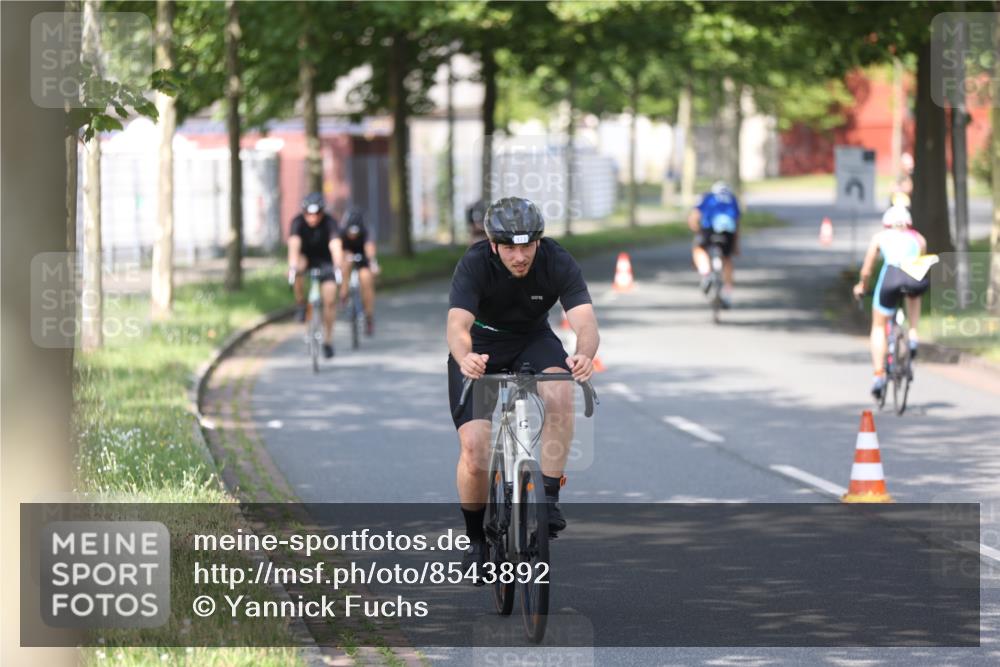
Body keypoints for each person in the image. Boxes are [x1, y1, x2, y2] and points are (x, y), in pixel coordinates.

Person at [446, 196, 600, 577]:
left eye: (527, 246)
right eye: (510, 248)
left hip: (533, 337)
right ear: (494, 245)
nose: (520, 256)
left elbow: (585, 322)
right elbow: (457, 325)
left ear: (539, 243)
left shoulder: (555, 260)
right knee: (475, 447)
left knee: (561, 391)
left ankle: (547, 496)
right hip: (481, 345)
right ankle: (476, 540)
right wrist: (465, 357)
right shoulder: (475, 263)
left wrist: (584, 354)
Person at [853, 205, 930, 399]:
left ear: (886, 223)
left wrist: (862, 285)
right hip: (913, 277)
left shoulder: (880, 237)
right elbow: (920, 263)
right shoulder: (919, 239)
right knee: (914, 296)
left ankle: (879, 374)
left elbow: (867, 269)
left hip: (891, 276)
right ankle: (913, 335)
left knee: (878, 326)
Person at [288, 192, 343, 358]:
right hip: (306, 258)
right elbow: (294, 245)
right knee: (297, 267)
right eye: (309, 214)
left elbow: (336, 245)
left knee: (330, 299)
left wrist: (338, 266)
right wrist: (292, 266)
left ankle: (328, 340)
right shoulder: (297, 222)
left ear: (322, 212)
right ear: (304, 212)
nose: (312, 218)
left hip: (325, 261)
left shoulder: (330, 222)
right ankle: (300, 304)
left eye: (317, 213)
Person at [688, 181, 741, 308]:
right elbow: (737, 224)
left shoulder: (707, 197)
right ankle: (727, 294)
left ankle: (706, 274)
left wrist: (697, 231)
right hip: (728, 231)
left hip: (709, 229)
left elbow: (694, 217)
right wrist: (735, 246)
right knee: (727, 259)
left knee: (699, 249)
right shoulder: (732, 199)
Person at [337, 207, 380, 336]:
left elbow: (370, 249)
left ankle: (368, 316)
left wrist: (373, 263)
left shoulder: (366, 232)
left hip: (363, 258)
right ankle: (343, 294)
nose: (353, 235)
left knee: (366, 279)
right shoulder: (342, 233)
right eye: (351, 232)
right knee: (346, 265)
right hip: (347, 256)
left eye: (356, 232)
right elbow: (339, 250)